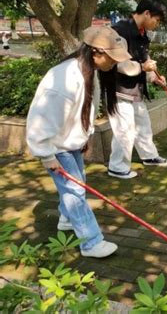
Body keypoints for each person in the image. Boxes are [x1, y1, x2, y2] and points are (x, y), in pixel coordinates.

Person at [26, 26, 133, 258]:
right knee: (75, 190)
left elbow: (85, 109)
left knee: (78, 183)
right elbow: (40, 120)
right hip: (56, 146)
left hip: (70, 141)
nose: (114, 64)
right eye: (112, 58)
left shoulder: (88, 70)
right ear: (97, 52)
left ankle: (66, 219)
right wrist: (46, 155)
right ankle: (91, 242)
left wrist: (87, 135)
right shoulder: (64, 80)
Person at [100, 0, 167, 180]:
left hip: (135, 89)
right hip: (118, 89)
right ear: (147, 13)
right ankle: (117, 167)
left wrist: (153, 77)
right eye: (156, 20)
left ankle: (149, 156)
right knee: (124, 130)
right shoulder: (120, 31)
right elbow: (116, 64)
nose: (157, 24)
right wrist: (142, 67)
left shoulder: (141, 35)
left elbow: (144, 60)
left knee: (143, 125)